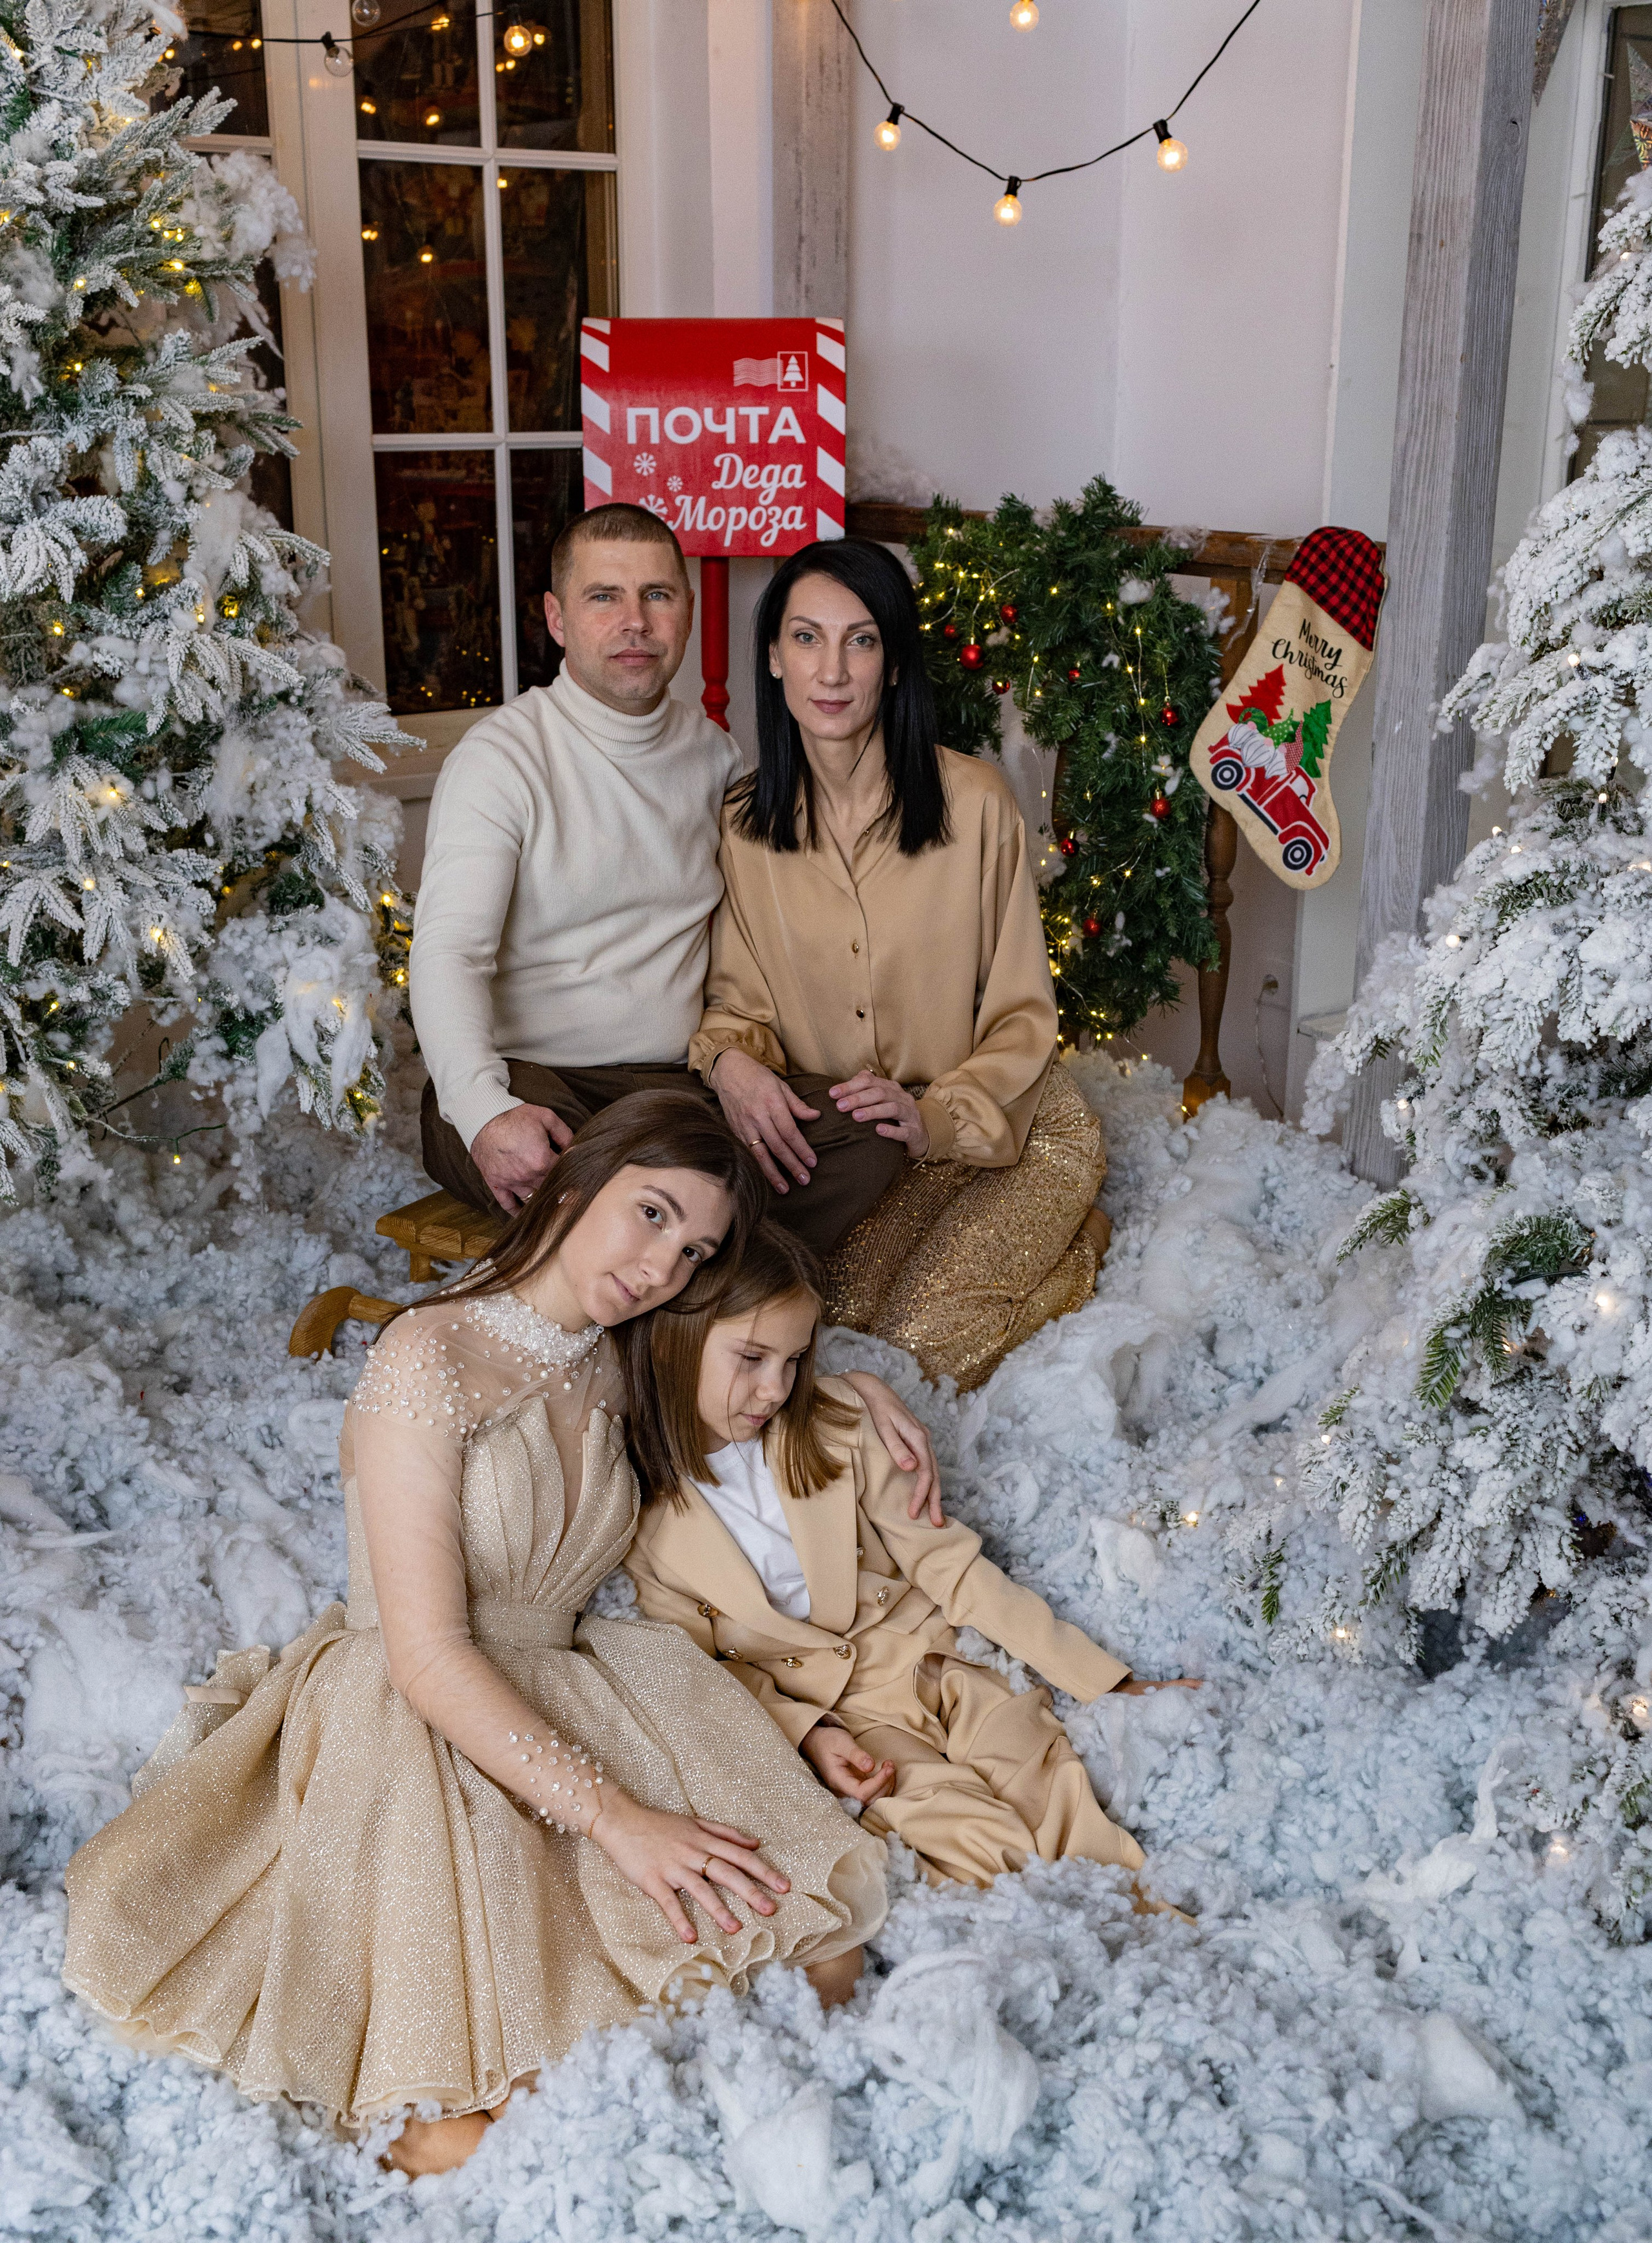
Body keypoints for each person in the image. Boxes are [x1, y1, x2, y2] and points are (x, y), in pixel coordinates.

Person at [63, 1096, 888, 2178]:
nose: (659, 1266)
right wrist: (620, 1819)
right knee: (476, 2121)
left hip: (575, 1680)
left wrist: (868, 1398)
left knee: (823, 1959)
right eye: (648, 1213)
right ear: (576, 1182)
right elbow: (428, 1655)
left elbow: (767, 1348)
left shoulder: (627, 1351)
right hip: (415, 1712)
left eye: (691, 1250)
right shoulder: (428, 1355)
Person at [625, 1224, 1198, 1891]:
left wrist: (1103, 1682)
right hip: (845, 1714)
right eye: (751, 1358)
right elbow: (704, 1668)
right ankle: (1056, 1934)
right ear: (673, 1343)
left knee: (1043, 1771)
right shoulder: (643, 1519)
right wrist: (809, 1733)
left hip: (934, 1657)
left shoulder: (836, 1420)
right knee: (965, 1832)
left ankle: (1144, 1919)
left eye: (792, 1360)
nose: (775, 1389)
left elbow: (946, 1562)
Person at [410, 502, 903, 1264]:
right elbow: (448, 952)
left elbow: (751, 946)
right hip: (538, 1081)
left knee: (866, 1136)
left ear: (687, 610)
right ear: (557, 617)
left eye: (658, 595)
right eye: (604, 596)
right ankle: (712, 1261)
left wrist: (733, 1059)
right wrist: (482, 1112)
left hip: (674, 1082)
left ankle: (684, 1256)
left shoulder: (717, 759)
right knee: (605, 1177)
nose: (635, 621)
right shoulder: (502, 757)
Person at [689, 536, 1108, 1394]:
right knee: (835, 1331)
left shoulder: (976, 803)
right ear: (773, 658)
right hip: (871, 1149)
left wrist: (933, 1116)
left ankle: (1081, 1249)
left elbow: (1026, 1017)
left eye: (862, 639)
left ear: (892, 660)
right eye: (807, 638)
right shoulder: (742, 824)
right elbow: (738, 1003)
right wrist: (728, 1062)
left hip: (1010, 1126)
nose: (832, 671)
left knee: (919, 1350)